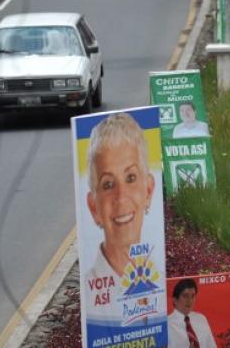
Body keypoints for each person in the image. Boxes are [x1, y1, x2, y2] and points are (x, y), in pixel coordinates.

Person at [82, 113, 158, 323]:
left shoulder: (162, 280)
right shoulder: (90, 299)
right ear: (94, 207)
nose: (121, 197)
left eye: (131, 178)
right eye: (108, 184)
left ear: (149, 191)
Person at [167, 278, 217, 348]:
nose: (190, 300)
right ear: (175, 300)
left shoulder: (201, 318)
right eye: (185, 296)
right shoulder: (166, 326)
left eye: (193, 296)